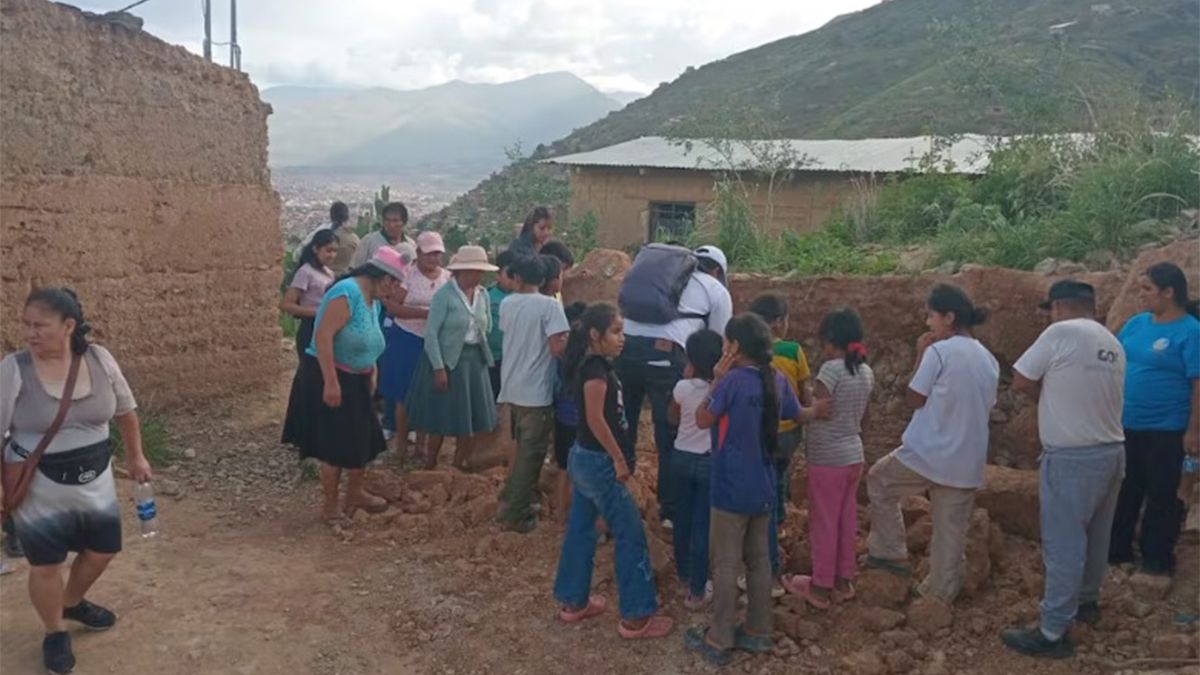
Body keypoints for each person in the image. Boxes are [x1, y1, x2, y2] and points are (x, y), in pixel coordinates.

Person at [1, 288, 153, 675]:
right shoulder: (14, 368)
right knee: (46, 561)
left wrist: (136, 455)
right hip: (38, 482)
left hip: (95, 475)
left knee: (102, 550)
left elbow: (126, 411)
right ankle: (55, 632)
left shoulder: (99, 359)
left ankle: (70, 601)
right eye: (27, 325)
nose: (31, 334)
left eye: (41, 326)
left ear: (68, 326)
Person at [685, 313, 827, 666]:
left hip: (729, 487)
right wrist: (819, 409)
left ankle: (719, 637)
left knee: (726, 562)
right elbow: (798, 415)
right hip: (763, 484)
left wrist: (716, 380)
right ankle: (760, 631)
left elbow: (703, 419)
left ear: (734, 347)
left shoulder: (732, 383)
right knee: (760, 561)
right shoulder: (778, 378)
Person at [1000, 281, 1126, 659]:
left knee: (1064, 543)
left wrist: (1047, 395)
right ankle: (1087, 602)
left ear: (1058, 307)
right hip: (1112, 451)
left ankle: (1053, 631)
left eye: (1050, 309)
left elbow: (1022, 379)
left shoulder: (1060, 332)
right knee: (1096, 537)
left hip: (1072, 458)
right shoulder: (1111, 343)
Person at [864, 283, 999, 604]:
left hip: (926, 454)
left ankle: (890, 551)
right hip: (965, 460)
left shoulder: (939, 351)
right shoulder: (988, 360)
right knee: (950, 531)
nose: (928, 324)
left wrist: (920, 355)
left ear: (949, 317)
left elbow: (914, 398)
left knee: (880, 481)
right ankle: (939, 596)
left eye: (931, 316)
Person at [552, 302, 675, 640]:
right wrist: (619, 459)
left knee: (581, 529)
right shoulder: (595, 372)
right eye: (616, 332)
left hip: (584, 458)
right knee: (630, 532)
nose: (622, 339)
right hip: (598, 462)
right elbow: (595, 419)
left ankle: (573, 601)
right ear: (595, 335)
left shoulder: (593, 365)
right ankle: (637, 617)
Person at [282, 247, 410, 524]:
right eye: (396, 283)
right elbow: (324, 336)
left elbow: (370, 339)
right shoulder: (346, 293)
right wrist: (330, 381)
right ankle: (330, 506)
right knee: (333, 444)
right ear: (384, 278)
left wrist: (372, 369)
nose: (396, 289)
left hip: (358, 377)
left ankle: (355, 493)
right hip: (332, 375)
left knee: (361, 439)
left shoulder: (372, 300)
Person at [618, 245, 732, 529]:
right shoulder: (715, 289)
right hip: (664, 357)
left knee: (623, 424)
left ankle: (617, 499)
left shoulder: (659, 281)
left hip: (624, 349)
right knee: (668, 434)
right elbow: (715, 345)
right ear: (717, 271)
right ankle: (670, 511)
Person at [1109, 262, 1200, 577]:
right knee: (1125, 489)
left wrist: (1193, 430)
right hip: (1127, 423)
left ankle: (1156, 559)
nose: (1140, 295)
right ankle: (1116, 552)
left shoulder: (1190, 331)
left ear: (1169, 292)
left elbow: (1197, 383)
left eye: (1147, 289)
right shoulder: (1135, 324)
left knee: (1162, 494)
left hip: (1167, 428)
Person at [784, 307, 875, 609]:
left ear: (831, 340)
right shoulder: (865, 371)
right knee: (846, 519)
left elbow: (817, 410)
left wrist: (800, 396)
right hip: (853, 455)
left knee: (824, 521)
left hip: (827, 459)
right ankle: (842, 581)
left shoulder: (831, 371)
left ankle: (820, 587)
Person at [406, 245, 499, 471]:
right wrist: (438, 367)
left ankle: (458, 464)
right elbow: (431, 334)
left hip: (474, 361)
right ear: (459, 272)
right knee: (440, 417)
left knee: (469, 419)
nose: (477, 276)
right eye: (472, 272)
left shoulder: (483, 295)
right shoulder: (444, 296)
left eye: (480, 272)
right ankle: (430, 463)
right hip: (448, 362)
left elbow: (488, 326)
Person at [497, 256, 570, 532]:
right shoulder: (549, 306)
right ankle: (515, 513)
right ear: (543, 280)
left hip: (512, 386)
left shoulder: (507, 303)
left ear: (517, 278)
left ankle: (510, 498)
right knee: (532, 454)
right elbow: (556, 348)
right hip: (536, 391)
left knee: (521, 449)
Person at [748, 293, 812, 591]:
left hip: (762, 432)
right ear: (777, 323)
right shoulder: (793, 350)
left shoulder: (747, 355)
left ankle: (772, 520)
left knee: (768, 478)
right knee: (782, 471)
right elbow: (804, 390)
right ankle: (780, 519)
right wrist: (807, 416)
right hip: (789, 430)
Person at [379, 232, 450, 466]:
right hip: (407, 338)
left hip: (433, 341)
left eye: (437, 253)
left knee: (427, 393)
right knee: (404, 393)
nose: (433, 258)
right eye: (428, 253)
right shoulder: (407, 275)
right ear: (418, 253)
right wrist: (425, 314)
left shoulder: (447, 279)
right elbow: (392, 307)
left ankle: (421, 444)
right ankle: (401, 444)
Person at [668, 328, 724, 610]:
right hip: (708, 461)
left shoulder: (682, 388)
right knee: (703, 524)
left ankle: (684, 576)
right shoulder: (722, 391)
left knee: (682, 519)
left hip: (680, 457)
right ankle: (698, 590)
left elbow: (671, 417)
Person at [553, 302, 589, 522]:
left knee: (563, 468)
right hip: (580, 422)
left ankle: (560, 513)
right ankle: (578, 516)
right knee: (582, 473)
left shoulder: (561, 358)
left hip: (562, 418)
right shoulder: (589, 364)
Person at [281, 229, 338, 358]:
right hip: (310, 327)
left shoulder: (330, 273)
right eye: (328, 250)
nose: (332, 255)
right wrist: (317, 312)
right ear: (316, 249)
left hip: (326, 327)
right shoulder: (305, 272)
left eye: (335, 251)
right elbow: (287, 304)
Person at [296, 201, 359, 275]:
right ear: (347, 216)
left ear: (331, 215)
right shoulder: (353, 238)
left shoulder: (321, 231)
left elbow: (298, 253)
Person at [487, 249, 518, 400]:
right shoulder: (487, 296)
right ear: (497, 274)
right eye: (509, 274)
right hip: (492, 358)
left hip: (513, 359)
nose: (514, 278)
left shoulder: (522, 299)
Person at [350, 201, 417, 268]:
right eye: (387, 220)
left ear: (404, 223)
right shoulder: (369, 241)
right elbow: (355, 268)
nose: (391, 225)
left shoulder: (411, 246)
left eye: (395, 221)